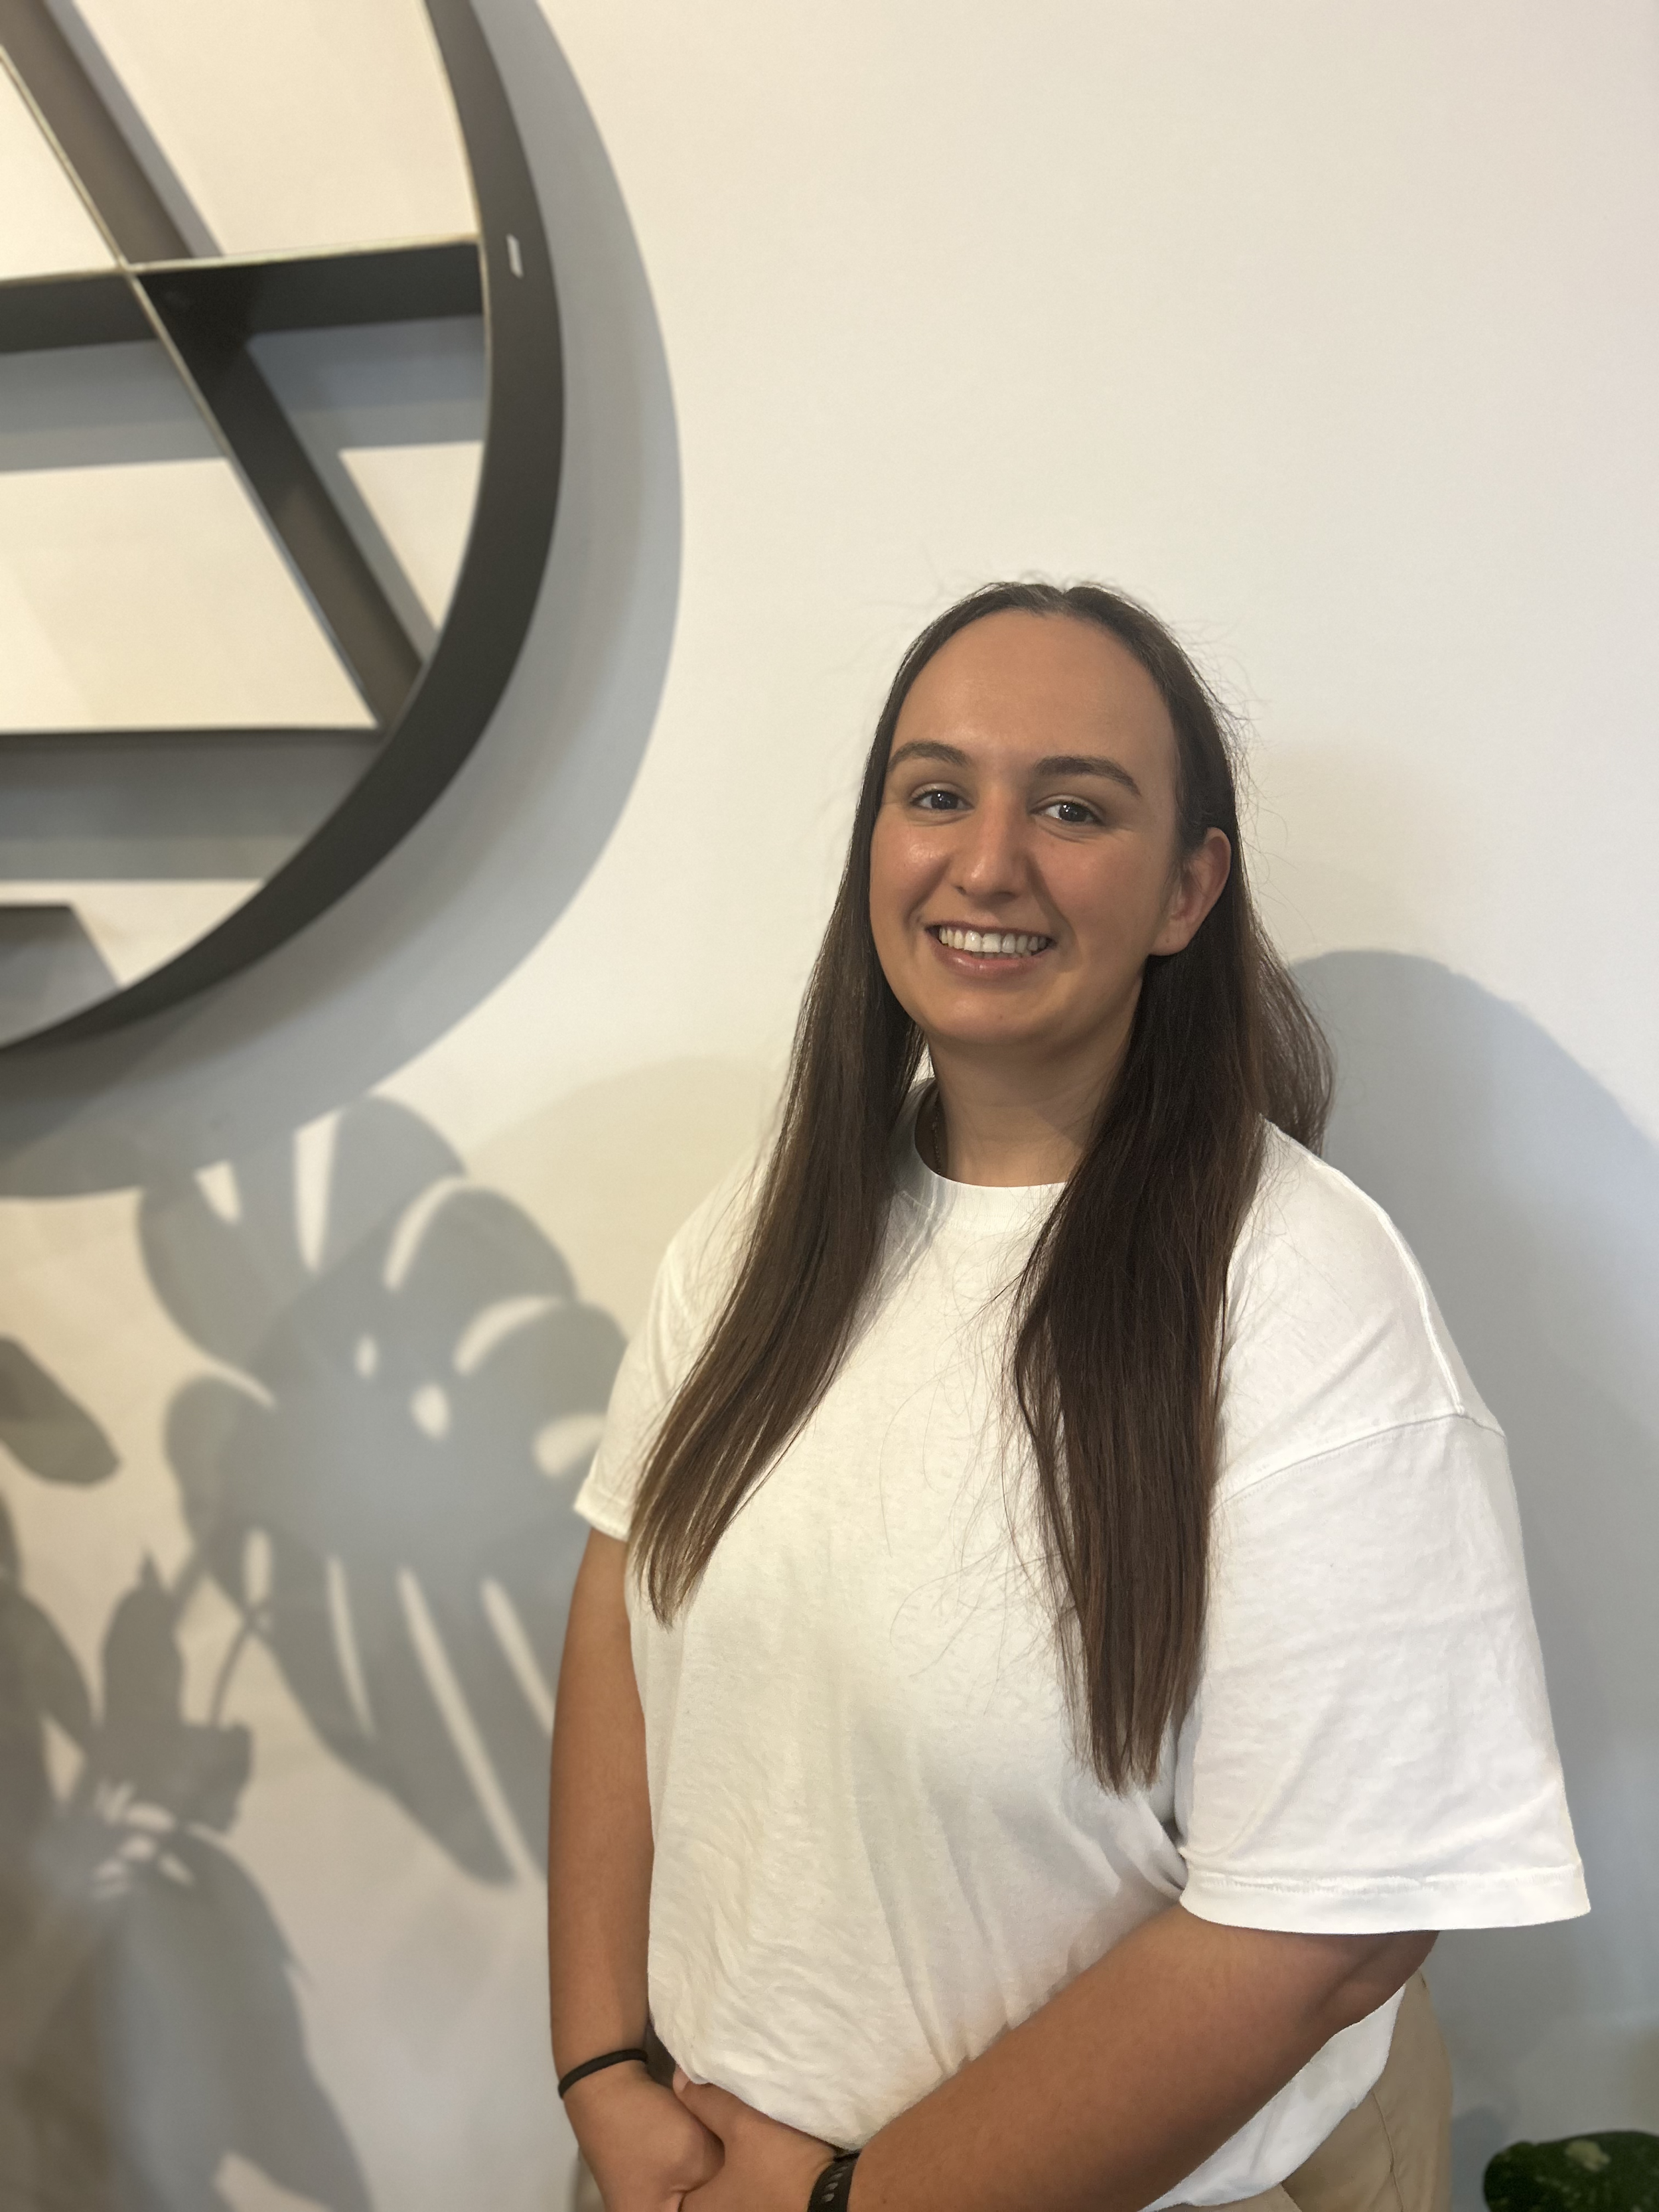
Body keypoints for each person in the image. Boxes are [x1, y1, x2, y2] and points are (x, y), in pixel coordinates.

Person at [547, 582, 1585, 2212]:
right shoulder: (768, 1228)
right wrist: (604, 2070)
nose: (985, 861)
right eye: (936, 791)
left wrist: (841, 2204)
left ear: (1188, 889)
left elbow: (1327, 1931)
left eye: (1073, 807)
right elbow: (625, 1579)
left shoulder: (1305, 1300)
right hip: (690, 2155)